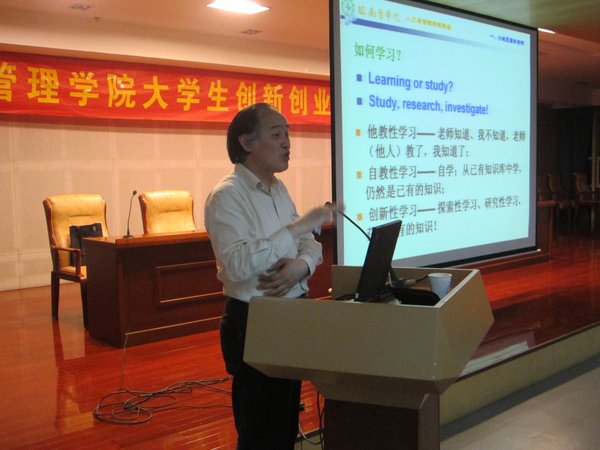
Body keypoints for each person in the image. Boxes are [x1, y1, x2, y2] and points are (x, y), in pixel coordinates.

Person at [204, 102, 334, 450]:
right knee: (261, 435)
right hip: (254, 320)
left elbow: (310, 244)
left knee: (285, 425)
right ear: (246, 142)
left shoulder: (278, 188)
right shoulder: (227, 196)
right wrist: (294, 231)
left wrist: (301, 266)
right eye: (277, 135)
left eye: (287, 134)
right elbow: (238, 264)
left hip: (291, 314)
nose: (287, 143)